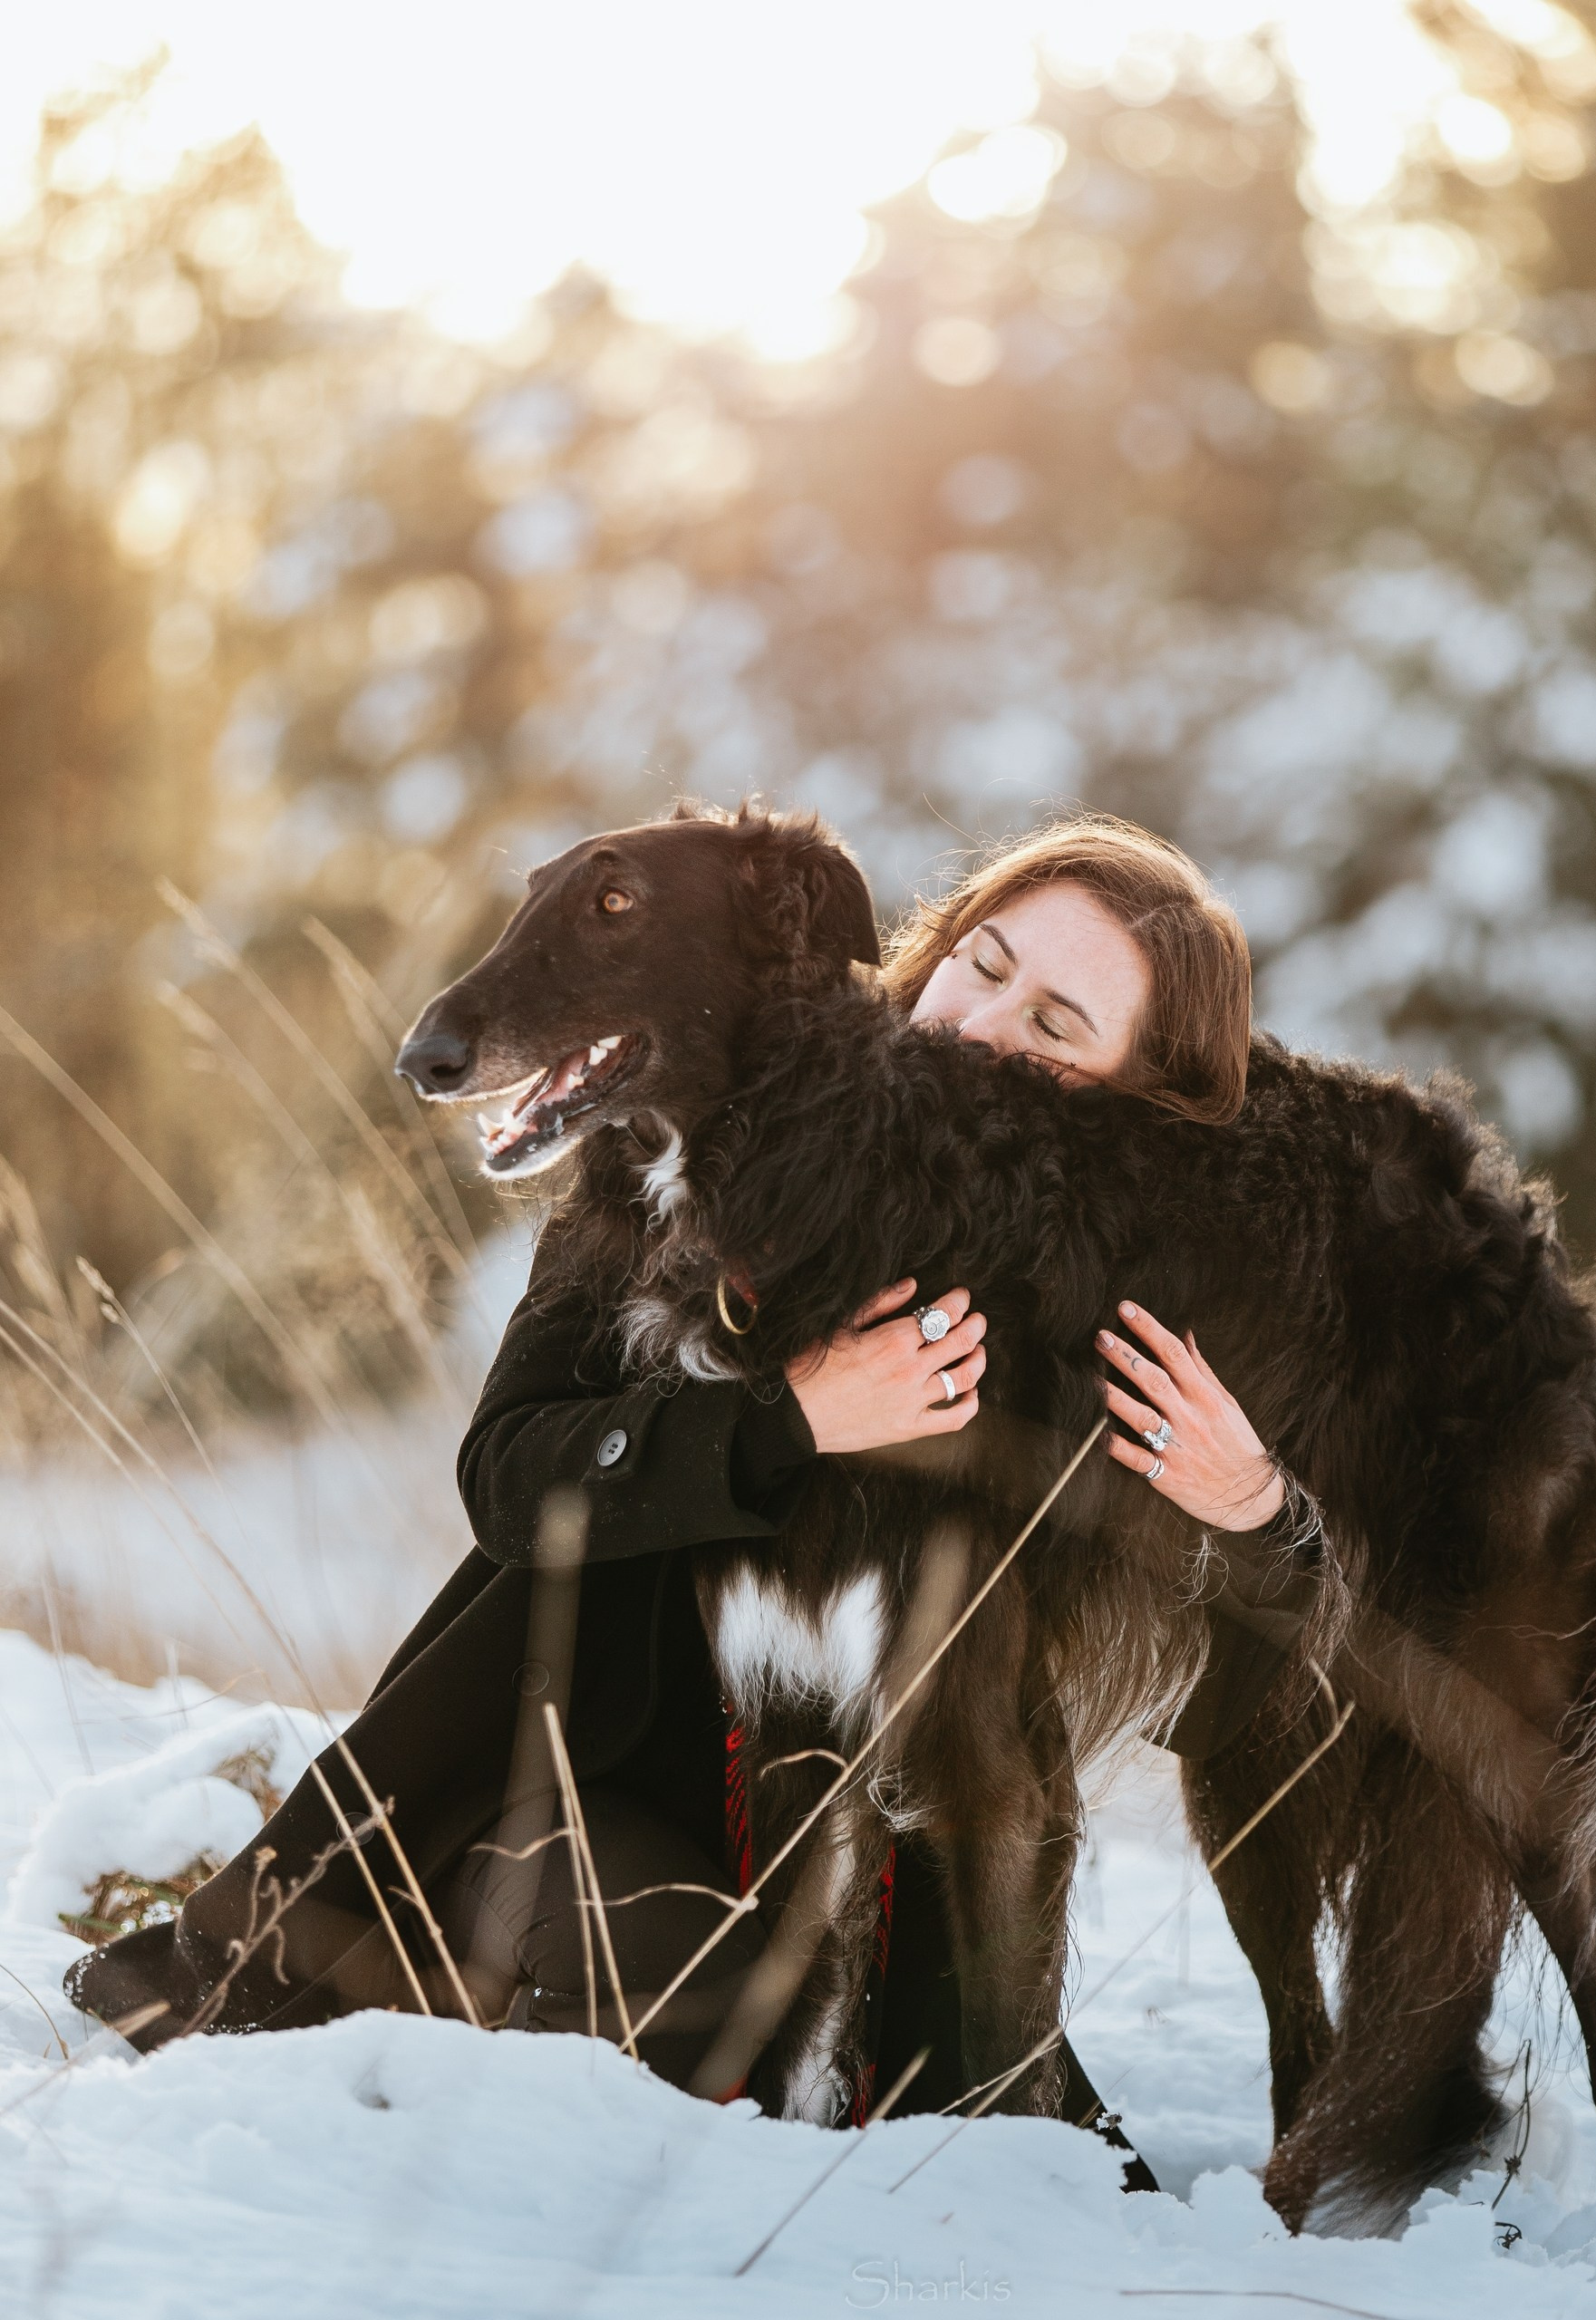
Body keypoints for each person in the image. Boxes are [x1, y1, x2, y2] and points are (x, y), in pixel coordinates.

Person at [66, 813, 1327, 2186]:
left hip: (922, 1914)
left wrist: (1260, 1511)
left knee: (940, 2142)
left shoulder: (1113, 1314)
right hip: (608, 1792)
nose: (980, 1026)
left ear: (1130, 1104)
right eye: (986, 962)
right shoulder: (667, 1142)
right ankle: (410, 2043)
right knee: (667, 2013)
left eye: (1056, 1022)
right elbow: (509, 1476)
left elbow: (1231, 1708)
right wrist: (783, 1422)